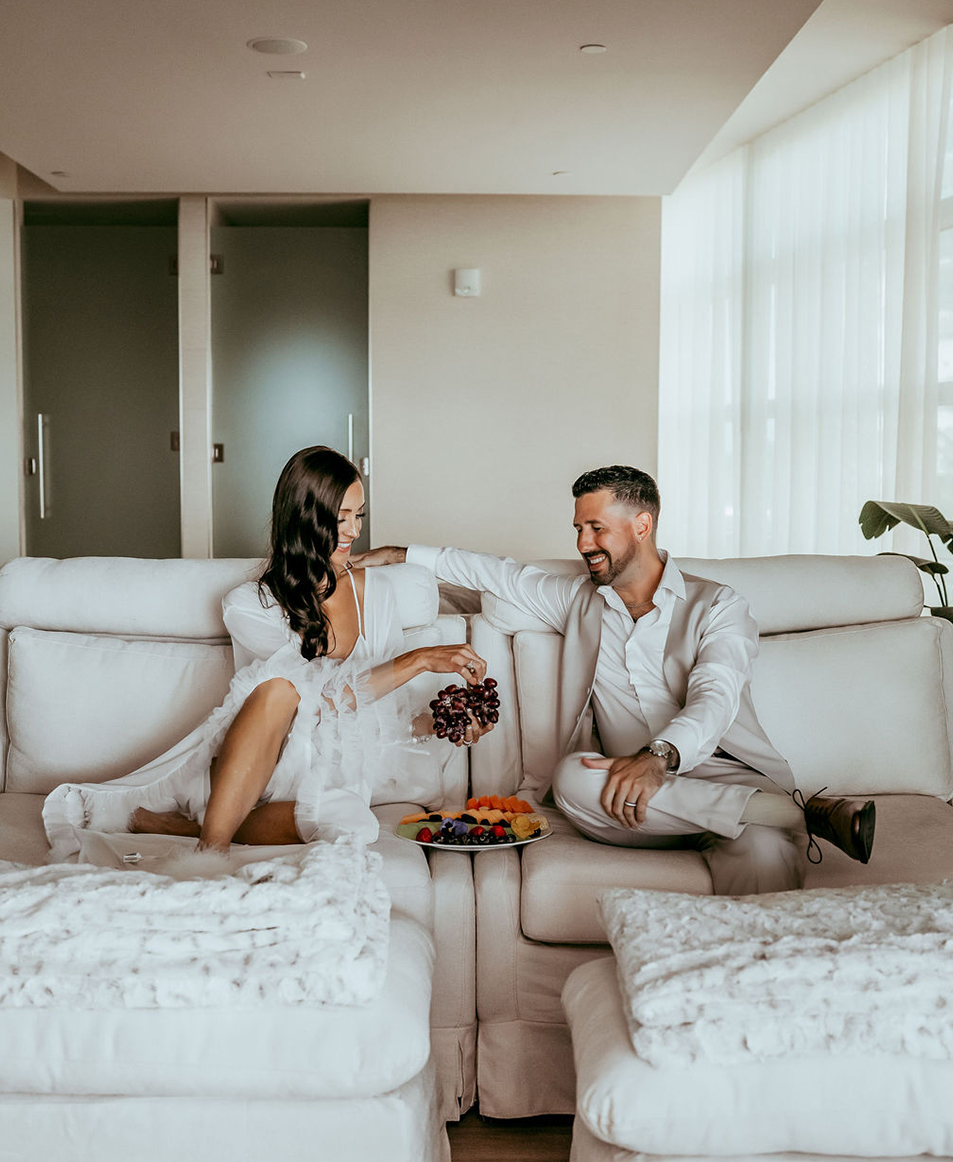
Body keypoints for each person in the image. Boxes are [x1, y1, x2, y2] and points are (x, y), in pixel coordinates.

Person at [353, 464, 875, 895]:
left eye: (596, 527)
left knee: (765, 854)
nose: (583, 542)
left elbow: (715, 696)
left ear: (642, 525)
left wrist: (659, 757)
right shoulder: (577, 601)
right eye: (578, 528)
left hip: (727, 778)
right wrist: (403, 555)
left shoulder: (719, 606)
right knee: (572, 776)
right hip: (623, 798)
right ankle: (796, 814)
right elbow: (498, 573)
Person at [43, 446, 488, 859]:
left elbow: (381, 711)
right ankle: (209, 853)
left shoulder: (376, 593)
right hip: (259, 766)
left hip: (329, 774)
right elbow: (319, 703)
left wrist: (446, 721)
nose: (355, 531)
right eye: (341, 518)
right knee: (281, 688)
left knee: (351, 821)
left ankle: (182, 827)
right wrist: (418, 659)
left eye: (359, 515)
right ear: (304, 517)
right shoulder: (249, 605)